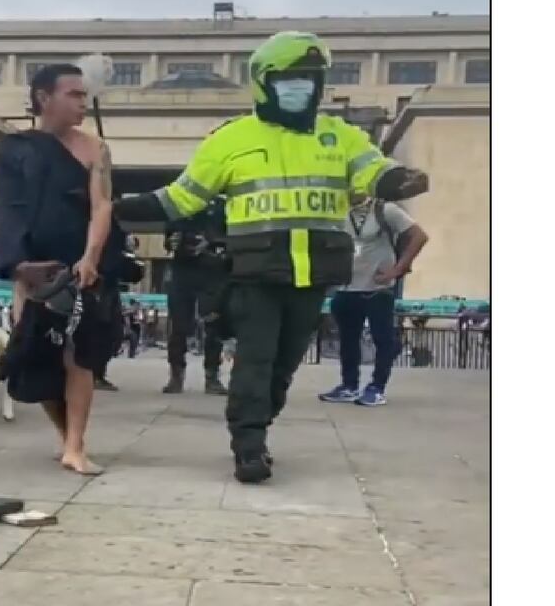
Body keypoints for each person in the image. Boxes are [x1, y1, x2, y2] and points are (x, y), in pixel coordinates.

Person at [114, 31, 430, 484]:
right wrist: (117, 205)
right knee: (256, 360)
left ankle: (259, 426)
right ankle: (249, 445)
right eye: (291, 77)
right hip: (255, 274)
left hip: (314, 275)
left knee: (283, 366)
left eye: (310, 77)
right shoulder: (231, 140)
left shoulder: (339, 136)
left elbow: (373, 169)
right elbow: (181, 199)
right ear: (265, 82)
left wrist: (399, 180)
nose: (301, 85)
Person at [0, 63, 126, 476]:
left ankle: (76, 444)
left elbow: (102, 205)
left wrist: (90, 257)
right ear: (43, 98)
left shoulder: (94, 148)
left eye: (85, 96)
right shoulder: (12, 150)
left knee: (79, 357)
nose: (82, 103)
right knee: (38, 356)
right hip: (35, 267)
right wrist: (19, 267)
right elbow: (10, 211)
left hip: (84, 264)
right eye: (73, 95)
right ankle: (65, 437)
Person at [319, 192, 428, 407]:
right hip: (347, 286)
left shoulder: (385, 210)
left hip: (377, 288)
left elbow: (419, 236)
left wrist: (397, 270)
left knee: (382, 339)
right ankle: (349, 385)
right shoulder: (338, 211)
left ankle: (377, 387)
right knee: (348, 340)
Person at [161, 196, 229, 395]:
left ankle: (212, 376)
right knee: (179, 325)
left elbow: (232, 236)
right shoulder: (180, 206)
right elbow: (169, 237)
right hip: (183, 271)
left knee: (213, 325)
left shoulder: (221, 208)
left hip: (213, 272)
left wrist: (211, 243)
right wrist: (173, 242)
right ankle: (176, 375)